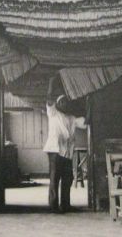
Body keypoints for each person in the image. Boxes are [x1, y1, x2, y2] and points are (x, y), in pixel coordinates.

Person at [43, 74, 90, 213]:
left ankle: (65, 205)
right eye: (61, 102)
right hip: (55, 150)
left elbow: (86, 122)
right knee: (54, 178)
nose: (64, 104)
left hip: (67, 152)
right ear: (57, 104)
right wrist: (51, 84)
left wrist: (90, 103)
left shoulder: (72, 118)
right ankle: (53, 206)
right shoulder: (53, 113)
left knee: (67, 178)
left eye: (66, 102)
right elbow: (49, 99)